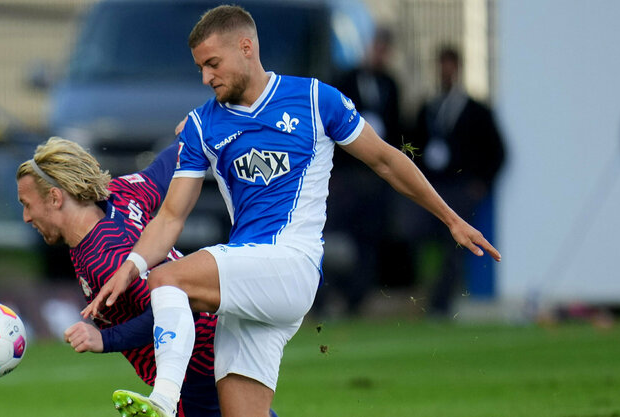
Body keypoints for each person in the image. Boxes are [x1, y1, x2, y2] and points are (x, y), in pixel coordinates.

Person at [83, 6, 501, 417]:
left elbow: (387, 161)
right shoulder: (202, 125)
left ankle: (163, 401)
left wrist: (451, 219)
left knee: (167, 279)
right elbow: (171, 216)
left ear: (246, 47)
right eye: (200, 68)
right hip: (247, 283)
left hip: (291, 264)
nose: (206, 77)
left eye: (212, 64)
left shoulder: (316, 99)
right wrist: (130, 267)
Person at [16, 137, 276, 417]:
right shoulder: (121, 194)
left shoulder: (104, 259)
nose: (26, 217)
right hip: (218, 336)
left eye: (27, 204)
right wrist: (191, 136)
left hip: (194, 362)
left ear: (55, 198)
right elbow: (165, 167)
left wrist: (105, 339)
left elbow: (170, 310)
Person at [401, 45, 506, 314]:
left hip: (460, 188)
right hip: (434, 188)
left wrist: (481, 182)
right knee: (422, 240)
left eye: (450, 65)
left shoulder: (475, 110)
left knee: (455, 246)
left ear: (457, 69)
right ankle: (424, 295)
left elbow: (498, 151)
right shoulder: (429, 108)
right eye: (441, 65)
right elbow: (413, 145)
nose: (445, 71)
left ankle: (441, 303)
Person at [327, 26, 404, 312]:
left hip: (374, 175)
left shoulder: (390, 85)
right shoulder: (346, 80)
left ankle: (356, 298)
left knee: (368, 239)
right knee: (335, 236)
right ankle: (326, 295)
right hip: (347, 174)